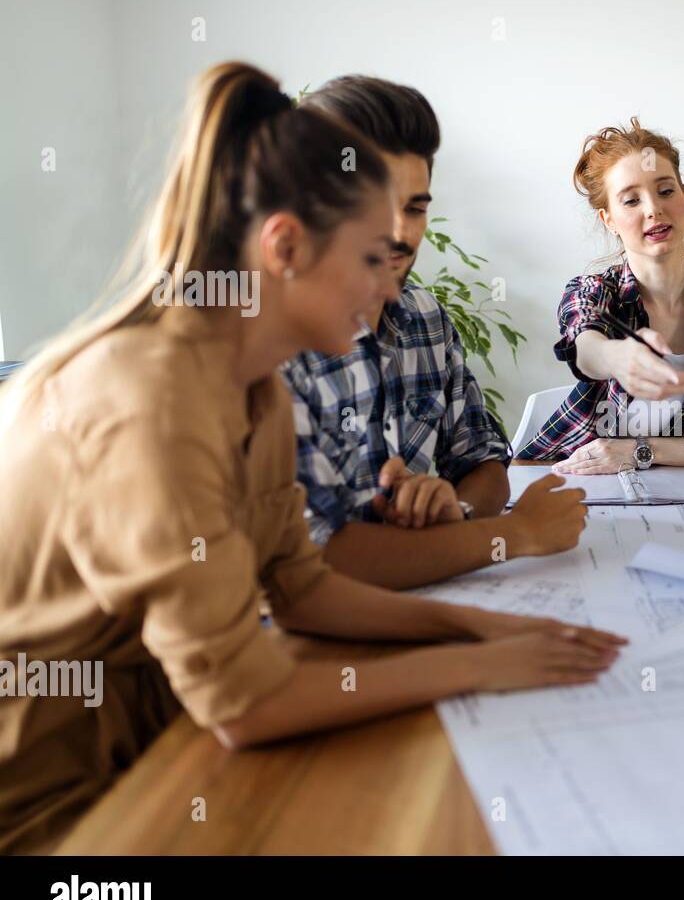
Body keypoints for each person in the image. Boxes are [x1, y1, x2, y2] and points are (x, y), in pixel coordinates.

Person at [0, 63, 623, 854]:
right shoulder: (151, 397)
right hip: (50, 819)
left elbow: (300, 588)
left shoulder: (251, 385)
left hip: (149, 753)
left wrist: (472, 626)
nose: (389, 287)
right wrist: (478, 665)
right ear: (286, 246)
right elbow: (242, 705)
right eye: (370, 258)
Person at [285, 76, 588, 589]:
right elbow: (316, 560)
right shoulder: (275, 346)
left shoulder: (425, 316)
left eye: (415, 207)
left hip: (439, 601)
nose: (401, 233)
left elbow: (485, 459)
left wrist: (458, 511)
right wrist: (517, 534)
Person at [516, 118, 684, 472]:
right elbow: (585, 347)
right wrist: (615, 357)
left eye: (665, 191)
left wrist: (642, 450)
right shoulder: (594, 291)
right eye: (630, 200)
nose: (653, 209)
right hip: (571, 475)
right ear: (608, 219)